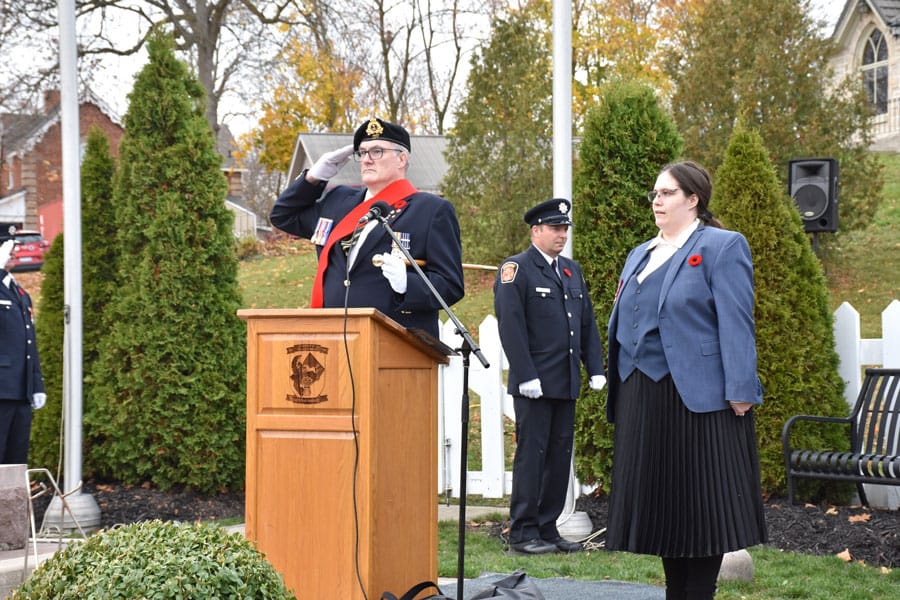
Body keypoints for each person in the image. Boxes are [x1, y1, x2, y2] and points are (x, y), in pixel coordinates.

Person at [604, 161, 767, 600]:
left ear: (693, 199)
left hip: (699, 399)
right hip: (643, 395)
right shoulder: (640, 253)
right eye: (655, 193)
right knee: (666, 509)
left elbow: (736, 321)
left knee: (702, 510)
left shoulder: (721, 246)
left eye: (668, 193)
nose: (657, 201)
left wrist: (740, 390)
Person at [269, 117, 464, 338]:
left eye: (377, 151)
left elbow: (450, 285)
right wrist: (313, 178)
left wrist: (407, 284)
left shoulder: (430, 210)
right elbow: (282, 216)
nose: (367, 160)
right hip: (332, 336)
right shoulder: (338, 199)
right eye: (362, 153)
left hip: (394, 342)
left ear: (401, 159)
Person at [493, 198, 606, 555]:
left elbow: (585, 324)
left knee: (559, 456)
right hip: (534, 384)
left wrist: (596, 367)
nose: (561, 235)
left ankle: (547, 527)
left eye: (564, 229)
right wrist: (525, 373)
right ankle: (523, 531)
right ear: (536, 231)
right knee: (533, 454)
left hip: (564, 380)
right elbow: (511, 326)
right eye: (555, 228)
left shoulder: (570, 271)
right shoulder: (517, 269)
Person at [0, 239, 46, 464]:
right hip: (1, 390)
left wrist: (36, 384)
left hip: (21, 389)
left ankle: (13, 500)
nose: (12, 254)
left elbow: (30, 343)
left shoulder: (19, 292)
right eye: (6, 250)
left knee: (16, 459)